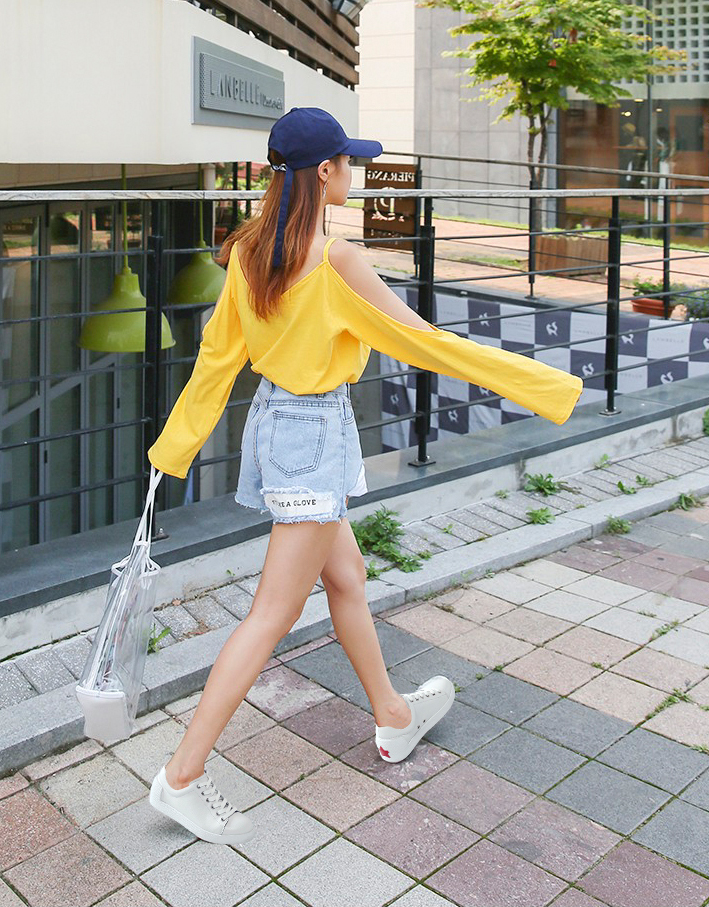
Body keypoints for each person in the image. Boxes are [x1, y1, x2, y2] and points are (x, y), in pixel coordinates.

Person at [146, 107, 584, 845]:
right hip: (315, 434)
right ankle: (182, 776)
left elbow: (217, 361)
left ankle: (393, 714)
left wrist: (172, 452)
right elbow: (422, 341)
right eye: (349, 161)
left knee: (345, 576)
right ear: (325, 172)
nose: (355, 172)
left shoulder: (248, 250)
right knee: (272, 612)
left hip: (278, 425)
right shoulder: (336, 259)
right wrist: (541, 383)